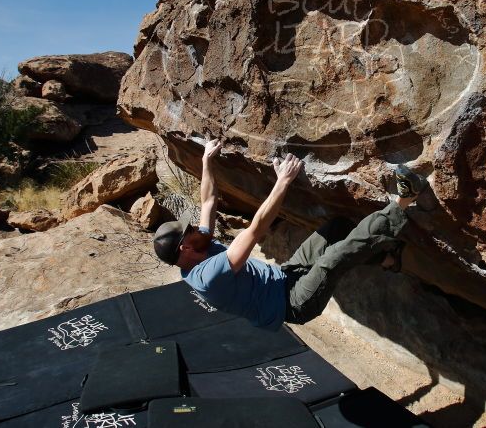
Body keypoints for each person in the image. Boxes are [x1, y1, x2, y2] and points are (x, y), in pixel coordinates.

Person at [153, 138, 427, 331]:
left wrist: (206, 160)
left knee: (337, 229)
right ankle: (406, 198)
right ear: (184, 249)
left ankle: (386, 258)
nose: (196, 229)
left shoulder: (196, 246)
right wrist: (282, 181)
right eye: (189, 232)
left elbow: (209, 201)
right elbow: (256, 228)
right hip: (293, 303)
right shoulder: (208, 277)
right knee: (334, 257)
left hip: (285, 277)